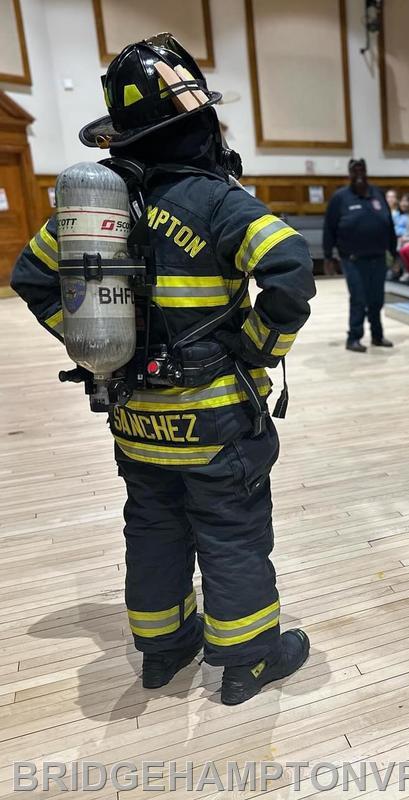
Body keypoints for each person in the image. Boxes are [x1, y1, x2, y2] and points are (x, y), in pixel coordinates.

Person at [11, 33, 316, 705]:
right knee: (231, 530)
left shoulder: (97, 204)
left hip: (132, 413)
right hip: (213, 417)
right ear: (196, 121)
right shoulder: (214, 200)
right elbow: (291, 265)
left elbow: (30, 276)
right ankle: (248, 660)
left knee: (152, 527)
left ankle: (163, 650)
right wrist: (263, 344)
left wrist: (92, 345)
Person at [324, 158, 396, 353]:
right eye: (354, 171)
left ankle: (377, 336)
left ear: (366, 171)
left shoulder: (377, 194)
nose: (358, 174)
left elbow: (389, 225)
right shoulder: (340, 197)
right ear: (349, 174)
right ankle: (354, 337)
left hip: (379, 257)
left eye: (361, 170)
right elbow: (329, 228)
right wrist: (328, 256)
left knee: (377, 299)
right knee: (359, 298)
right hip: (353, 259)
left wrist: (394, 253)